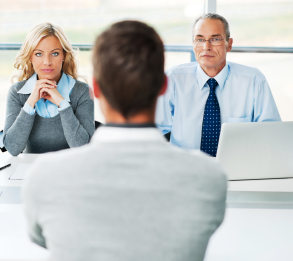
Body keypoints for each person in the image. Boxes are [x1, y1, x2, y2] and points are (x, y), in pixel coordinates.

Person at [23, 21, 227, 261]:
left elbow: (43, 238)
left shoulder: (44, 177)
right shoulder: (209, 177)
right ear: (163, 85)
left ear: (96, 88)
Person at [156, 13, 281, 156]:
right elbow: (155, 131)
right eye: (200, 39)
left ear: (229, 44)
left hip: (239, 169)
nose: (206, 46)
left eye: (215, 39)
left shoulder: (254, 81)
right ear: (193, 44)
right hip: (186, 169)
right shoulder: (173, 79)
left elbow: (272, 134)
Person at [3, 23, 94, 156]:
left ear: (64, 56)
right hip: (31, 171)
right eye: (39, 54)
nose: (47, 61)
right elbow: (12, 148)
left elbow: (83, 148)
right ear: (30, 57)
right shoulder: (17, 93)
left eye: (55, 53)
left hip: (71, 170)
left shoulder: (82, 92)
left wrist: (63, 104)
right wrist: (30, 102)